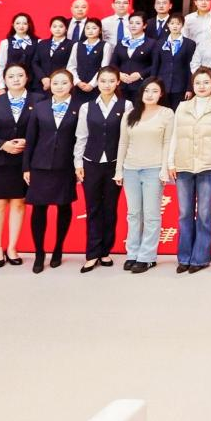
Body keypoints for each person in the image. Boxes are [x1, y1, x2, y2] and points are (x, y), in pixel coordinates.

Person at [0, 63, 40, 268]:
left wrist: (28, 142)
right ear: (4, 80)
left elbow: (46, 128)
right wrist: (2, 145)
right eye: (11, 76)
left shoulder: (39, 100)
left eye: (20, 75)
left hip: (25, 161)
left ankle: (12, 247)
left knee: (19, 204)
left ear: (27, 77)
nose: (16, 79)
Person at [168, 67, 211, 274]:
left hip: (208, 165)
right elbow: (174, 136)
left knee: (204, 213)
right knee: (184, 213)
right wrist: (171, 162)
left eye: (206, 82)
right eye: (197, 83)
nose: (201, 86)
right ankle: (184, 257)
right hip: (183, 164)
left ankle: (201, 258)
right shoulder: (182, 106)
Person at [22, 68, 80, 274]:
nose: (60, 87)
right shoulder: (40, 107)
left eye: (64, 83)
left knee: (64, 207)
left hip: (66, 166)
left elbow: (81, 139)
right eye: (55, 83)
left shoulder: (80, 108)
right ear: (49, 85)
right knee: (39, 209)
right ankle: (39, 253)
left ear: (71, 84)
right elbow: (31, 139)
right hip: (40, 165)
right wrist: (26, 166)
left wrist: (78, 166)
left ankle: (58, 249)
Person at [72, 66, 128, 273]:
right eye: (103, 80)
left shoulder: (126, 105)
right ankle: (92, 253)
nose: (107, 84)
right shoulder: (87, 107)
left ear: (118, 82)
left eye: (111, 80)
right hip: (91, 162)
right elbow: (81, 136)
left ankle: (105, 251)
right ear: (98, 82)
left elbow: (126, 137)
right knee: (93, 208)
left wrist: (122, 167)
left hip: (115, 164)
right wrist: (78, 163)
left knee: (110, 208)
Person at [113, 78, 172, 274]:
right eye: (146, 90)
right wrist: (119, 170)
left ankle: (147, 257)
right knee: (133, 214)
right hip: (130, 169)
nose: (150, 94)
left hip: (154, 169)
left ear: (161, 94)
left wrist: (164, 169)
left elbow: (167, 143)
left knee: (151, 215)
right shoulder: (130, 114)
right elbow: (123, 143)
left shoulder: (166, 113)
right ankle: (132, 253)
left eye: (154, 91)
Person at [152, 14, 197, 108]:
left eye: (178, 23)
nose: (175, 26)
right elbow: (155, 65)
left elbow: (190, 67)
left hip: (180, 86)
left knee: (178, 112)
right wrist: (153, 84)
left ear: (182, 25)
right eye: (172, 23)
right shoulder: (160, 43)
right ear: (168, 25)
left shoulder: (190, 44)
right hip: (162, 85)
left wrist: (189, 88)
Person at [111, 12, 155, 102]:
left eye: (137, 23)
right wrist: (119, 74)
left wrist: (140, 74)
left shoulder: (152, 43)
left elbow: (155, 64)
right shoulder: (121, 42)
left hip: (141, 85)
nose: (133, 26)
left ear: (144, 25)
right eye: (131, 23)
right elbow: (113, 63)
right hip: (121, 86)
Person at [67, 18, 111, 107]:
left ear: (100, 31)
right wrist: (78, 82)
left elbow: (104, 68)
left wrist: (92, 84)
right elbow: (71, 66)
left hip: (96, 87)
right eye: (87, 28)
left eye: (94, 28)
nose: (90, 31)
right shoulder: (77, 45)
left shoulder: (105, 46)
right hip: (78, 86)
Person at [0, 12, 38, 93]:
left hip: (33, 85)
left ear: (29, 25)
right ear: (13, 25)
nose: (21, 26)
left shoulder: (38, 42)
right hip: (12, 84)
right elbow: (0, 66)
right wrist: (1, 87)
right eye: (18, 23)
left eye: (24, 23)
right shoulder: (6, 43)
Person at [31, 16, 72, 92]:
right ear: (50, 28)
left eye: (61, 26)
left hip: (60, 84)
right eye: (54, 26)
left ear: (66, 28)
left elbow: (70, 64)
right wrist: (43, 78)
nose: (57, 29)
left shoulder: (72, 44)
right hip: (41, 84)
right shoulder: (42, 43)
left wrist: (54, 79)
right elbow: (35, 62)